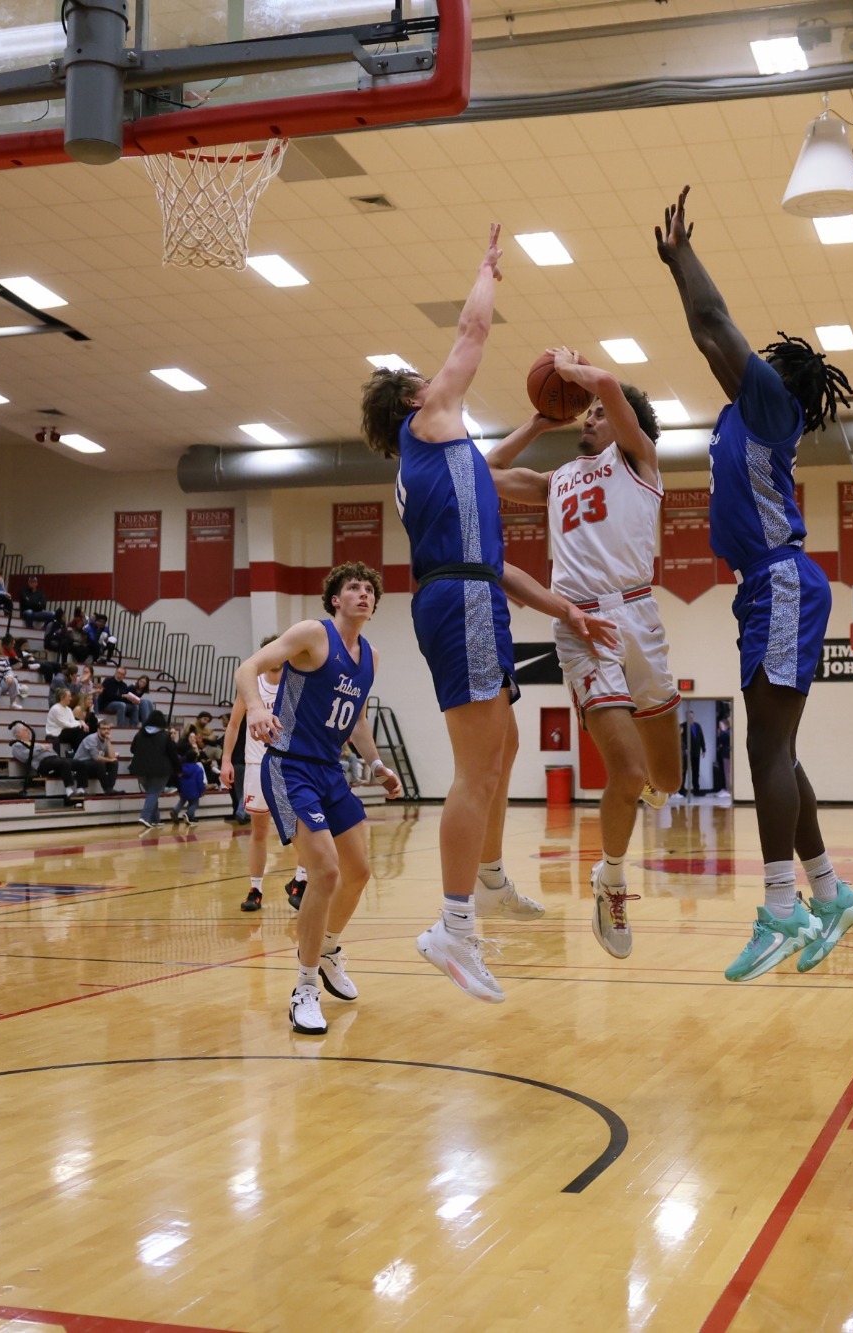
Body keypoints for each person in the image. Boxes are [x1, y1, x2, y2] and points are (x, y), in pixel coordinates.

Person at [359, 224, 621, 1004]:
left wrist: (565, 608)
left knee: (503, 746)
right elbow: (473, 331)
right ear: (415, 397)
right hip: (460, 602)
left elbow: (496, 533)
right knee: (476, 769)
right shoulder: (430, 415)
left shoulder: (444, 456)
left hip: (472, 592)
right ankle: (453, 926)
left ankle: (492, 877)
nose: (442, 380)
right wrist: (486, 273)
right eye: (427, 378)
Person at [654, 185, 853, 980]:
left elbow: (715, 324)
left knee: (765, 748)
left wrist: (684, 260)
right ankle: (829, 891)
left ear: (778, 376)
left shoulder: (771, 403)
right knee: (780, 750)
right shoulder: (743, 413)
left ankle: (781, 906)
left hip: (780, 580)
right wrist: (679, 282)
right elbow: (707, 341)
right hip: (767, 586)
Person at [485, 348, 683, 959]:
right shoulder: (556, 481)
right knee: (625, 772)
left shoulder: (640, 461)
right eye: (587, 412)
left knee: (666, 781)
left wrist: (578, 375)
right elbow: (485, 470)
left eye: (600, 413)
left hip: (639, 615)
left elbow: (608, 388)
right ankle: (612, 880)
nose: (591, 417)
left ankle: (630, 823)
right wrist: (541, 421)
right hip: (581, 620)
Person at [236, 563, 403, 1035]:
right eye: (354, 587)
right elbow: (247, 667)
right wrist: (256, 706)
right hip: (288, 766)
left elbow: (357, 720)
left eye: (370, 589)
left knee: (359, 871)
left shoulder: (370, 656)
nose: (363, 594)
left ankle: (327, 948)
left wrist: (376, 766)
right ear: (335, 598)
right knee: (325, 871)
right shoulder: (313, 633)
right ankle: (304, 988)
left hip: (330, 770)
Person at [222, 635, 286, 908]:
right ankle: (255, 889)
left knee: (304, 830)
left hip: (289, 766)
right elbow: (234, 724)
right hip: (257, 764)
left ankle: (302, 881)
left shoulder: (295, 684)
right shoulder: (251, 687)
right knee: (259, 832)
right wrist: (226, 759)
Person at [8, 721, 86, 803]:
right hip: (43, 763)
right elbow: (26, 757)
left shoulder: (35, 743)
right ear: (18, 733)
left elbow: (50, 750)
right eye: (25, 730)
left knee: (80, 764)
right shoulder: (17, 745)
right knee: (64, 763)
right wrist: (41, 748)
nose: (28, 732)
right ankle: (69, 792)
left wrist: (43, 748)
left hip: (54, 759)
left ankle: (81, 790)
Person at [130, 710, 174, 829]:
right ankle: (145, 817)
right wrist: (179, 769)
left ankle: (155, 819)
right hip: (160, 770)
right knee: (154, 793)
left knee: (152, 793)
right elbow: (172, 754)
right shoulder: (164, 735)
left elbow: (132, 749)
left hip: (140, 769)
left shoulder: (139, 733)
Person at [71, 717, 119, 795]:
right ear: (98, 729)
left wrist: (109, 741)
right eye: (103, 728)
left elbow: (112, 757)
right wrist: (110, 760)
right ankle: (106, 789)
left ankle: (110, 788)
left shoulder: (106, 740)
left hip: (93, 765)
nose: (106, 731)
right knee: (100, 763)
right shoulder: (92, 738)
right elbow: (96, 757)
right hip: (81, 764)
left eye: (108, 729)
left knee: (114, 763)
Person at [171, 735, 205, 825]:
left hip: (184, 788)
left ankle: (175, 810)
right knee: (195, 804)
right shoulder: (198, 769)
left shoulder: (182, 767)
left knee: (182, 801)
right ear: (195, 758)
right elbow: (199, 781)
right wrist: (202, 790)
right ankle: (188, 814)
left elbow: (179, 777)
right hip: (194, 790)